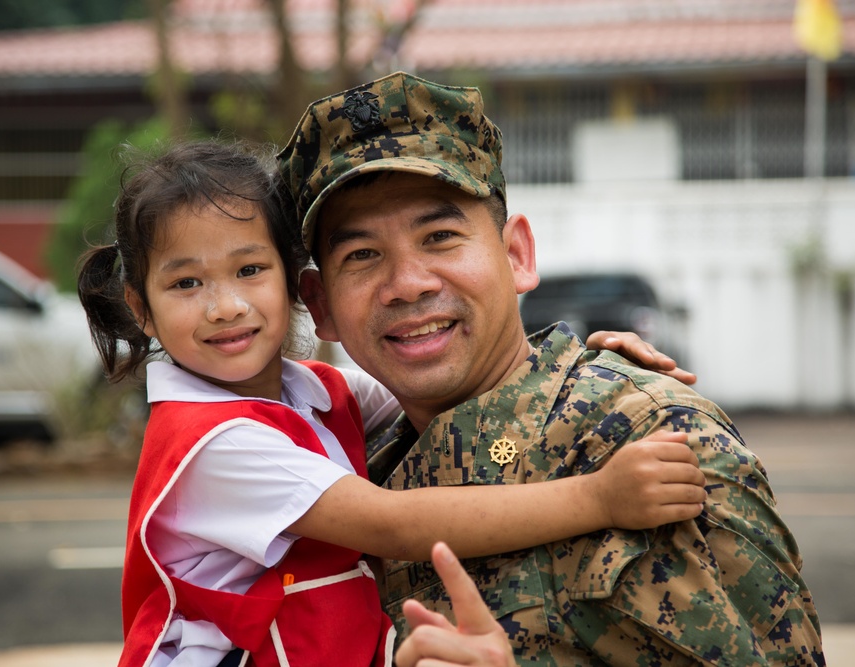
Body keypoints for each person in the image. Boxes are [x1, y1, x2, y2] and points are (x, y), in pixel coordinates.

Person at [76, 140, 707, 667]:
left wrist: (588, 363)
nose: (225, 306)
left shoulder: (315, 391)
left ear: (293, 287)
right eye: (186, 283)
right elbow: (394, 525)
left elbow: (461, 381)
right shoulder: (211, 444)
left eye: (249, 270)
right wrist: (599, 498)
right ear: (142, 309)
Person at [279, 72, 824, 665]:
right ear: (322, 305)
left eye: (439, 236)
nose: (407, 285)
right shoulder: (336, 482)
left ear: (517, 256)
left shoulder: (645, 438)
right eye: (362, 255)